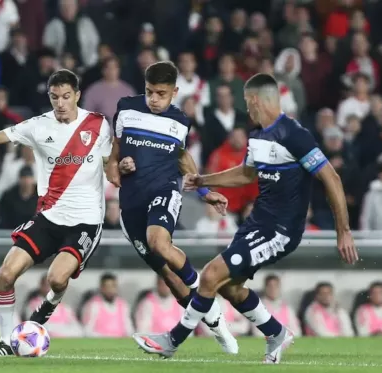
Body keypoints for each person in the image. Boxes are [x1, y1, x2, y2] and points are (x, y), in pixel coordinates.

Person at [132, 73, 358, 363]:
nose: (246, 109)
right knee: (229, 286)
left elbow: (332, 179)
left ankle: (172, 341)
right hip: (256, 224)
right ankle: (276, 332)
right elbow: (246, 173)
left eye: (247, 103)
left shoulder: (294, 135)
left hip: (280, 229)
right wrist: (203, 180)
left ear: (255, 100)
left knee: (211, 275)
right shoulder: (258, 136)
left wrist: (344, 231)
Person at [0, 69, 112, 355]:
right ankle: (4, 342)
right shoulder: (38, 126)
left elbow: (111, 165)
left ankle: (47, 306)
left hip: (86, 222)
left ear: (77, 95)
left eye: (66, 96)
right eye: (54, 97)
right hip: (49, 217)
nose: (60, 103)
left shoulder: (99, 125)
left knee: (56, 278)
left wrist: (122, 173)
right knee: (5, 274)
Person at [105, 61, 238, 354]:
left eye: (161, 94)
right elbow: (112, 159)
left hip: (165, 191)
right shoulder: (126, 108)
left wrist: (205, 191)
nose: (154, 99)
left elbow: (181, 157)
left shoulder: (180, 121)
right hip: (131, 205)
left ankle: (204, 292)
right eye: (150, 92)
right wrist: (118, 166)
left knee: (159, 242)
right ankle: (215, 323)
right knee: (169, 277)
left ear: (175, 92)